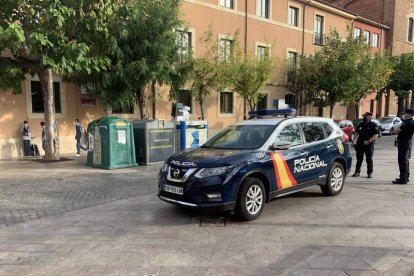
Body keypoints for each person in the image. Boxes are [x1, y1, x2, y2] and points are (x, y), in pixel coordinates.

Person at [352, 112, 380, 178]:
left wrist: (369, 141)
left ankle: (369, 173)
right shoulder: (361, 124)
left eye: (366, 116)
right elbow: (356, 133)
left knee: (369, 159)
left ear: (370, 117)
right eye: (364, 116)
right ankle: (357, 172)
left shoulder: (373, 125)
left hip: (369, 145)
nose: (364, 117)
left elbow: (376, 135)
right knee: (359, 159)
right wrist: (353, 141)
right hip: (360, 144)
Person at [392, 109, 414, 184]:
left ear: (409, 114)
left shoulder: (407, 123)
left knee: (402, 161)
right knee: (406, 160)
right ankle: (406, 177)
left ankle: (403, 178)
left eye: (405, 113)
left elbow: (396, 131)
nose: (404, 114)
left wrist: (394, 127)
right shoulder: (411, 122)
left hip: (403, 143)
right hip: (407, 142)